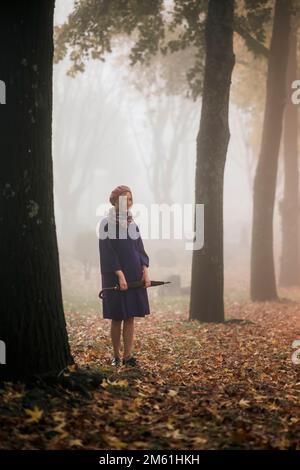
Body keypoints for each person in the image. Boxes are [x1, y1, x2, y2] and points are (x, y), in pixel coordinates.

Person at [98, 185, 151, 367]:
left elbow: (140, 249)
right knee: (117, 317)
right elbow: (108, 252)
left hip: (135, 275)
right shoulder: (106, 223)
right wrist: (120, 275)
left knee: (130, 318)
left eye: (129, 199)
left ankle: (128, 356)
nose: (127, 202)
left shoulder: (132, 223)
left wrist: (145, 271)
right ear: (114, 201)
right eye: (123, 199)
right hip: (115, 276)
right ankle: (116, 356)